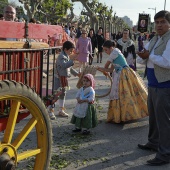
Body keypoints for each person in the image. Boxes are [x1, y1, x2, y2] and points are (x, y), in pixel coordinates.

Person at [137, 10, 170, 166]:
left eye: (163, 22)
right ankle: (153, 142)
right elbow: (142, 57)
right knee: (154, 117)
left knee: (164, 121)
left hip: (164, 85)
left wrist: (148, 55)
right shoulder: (155, 38)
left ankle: (165, 154)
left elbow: (167, 62)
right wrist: (144, 55)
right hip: (152, 83)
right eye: (157, 22)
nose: (159, 25)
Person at [97, 40, 148, 123]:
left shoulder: (114, 52)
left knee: (125, 93)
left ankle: (128, 114)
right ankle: (120, 115)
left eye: (106, 50)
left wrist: (102, 69)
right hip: (118, 74)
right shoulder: (114, 54)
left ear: (111, 48)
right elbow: (110, 69)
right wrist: (100, 69)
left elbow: (106, 66)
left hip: (124, 74)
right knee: (120, 94)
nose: (105, 52)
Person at [47, 41, 79, 119]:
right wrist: (72, 60)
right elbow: (64, 65)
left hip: (63, 78)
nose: (71, 52)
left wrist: (77, 73)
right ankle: (50, 110)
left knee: (63, 94)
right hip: (58, 78)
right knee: (55, 94)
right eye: (70, 50)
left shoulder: (66, 55)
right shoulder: (61, 56)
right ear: (65, 49)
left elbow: (69, 68)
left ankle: (61, 109)